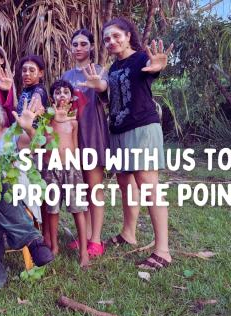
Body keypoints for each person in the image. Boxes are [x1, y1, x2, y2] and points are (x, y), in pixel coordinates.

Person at [99, 17, 173, 269]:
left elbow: (153, 69)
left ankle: (162, 250)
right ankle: (128, 233)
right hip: (118, 129)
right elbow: (111, 100)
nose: (111, 41)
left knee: (148, 186)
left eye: (116, 36)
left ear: (128, 35)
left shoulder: (141, 58)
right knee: (125, 184)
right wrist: (101, 90)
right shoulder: (112, 68)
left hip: (142, 128)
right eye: (107, 38)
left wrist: (158, 66)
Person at [0, 99, 54, 298]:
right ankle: (31, 239)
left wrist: (29, 128)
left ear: (0, 116)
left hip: (12, 193)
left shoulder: (13, 134)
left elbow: (37, 145)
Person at [61, 29, 110, 257]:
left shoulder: (100, 71)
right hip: (72, 137)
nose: (79, 48)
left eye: (83, 44)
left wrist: (98, 84)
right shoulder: (67, 76)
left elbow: (104, 91)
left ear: (91, 46)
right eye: (75, 44)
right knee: (81, 189)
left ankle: (96, 240)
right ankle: (87, 235)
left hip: (93, 134)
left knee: (94, 188)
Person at [41, 80, 88, 266]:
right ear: (52, 98)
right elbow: (42, 143)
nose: (62, 95)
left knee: (78, 209)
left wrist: (77, 169)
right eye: (58, 92)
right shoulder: (46, 121)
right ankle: (54, 246)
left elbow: (75, 147)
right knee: (52, 209)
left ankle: (84, 250)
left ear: (71, 97)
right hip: (51, 168)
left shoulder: (74, 122)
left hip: (71, 168)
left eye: (66, 92)